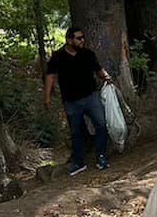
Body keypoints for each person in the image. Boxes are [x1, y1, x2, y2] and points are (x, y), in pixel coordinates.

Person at [44, 27, 112, 175]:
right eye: (78, 38)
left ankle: (100, 156)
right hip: (71, 101)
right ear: (69, 40)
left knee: (101, 125)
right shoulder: (58, 56)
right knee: (76, 132)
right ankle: (78, 162)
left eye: (83, 38)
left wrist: (106, 77)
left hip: (90, 97)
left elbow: (99, 70)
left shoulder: (87, 54)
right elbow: (50, 76)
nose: (82, 41)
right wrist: (47, 97)